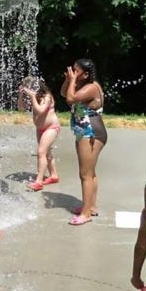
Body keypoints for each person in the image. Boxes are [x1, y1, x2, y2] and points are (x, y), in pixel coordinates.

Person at [61, 58, 107, 225]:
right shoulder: (83, 85)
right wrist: (69, 80)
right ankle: (91, 207)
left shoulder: (90, 88)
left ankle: (86, 213)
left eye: (76, 71)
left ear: (85, 74)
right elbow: (63, 93)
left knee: (85, 174)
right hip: (87, 131)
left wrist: (72, 81)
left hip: (91, 132)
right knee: (90, 172)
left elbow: (70, 99)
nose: (73, 72)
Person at [19, 76, 60, 191]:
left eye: (29, 89)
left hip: (51, 128)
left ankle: (39, 181)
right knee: (47, 152)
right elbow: (21, 109)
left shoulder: (47, 97)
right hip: (40, 129)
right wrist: (21, 95)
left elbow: (40, 111)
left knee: (41, 152)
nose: (28, 92)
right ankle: (54, 175)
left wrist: (32, 97)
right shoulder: (34, 97)